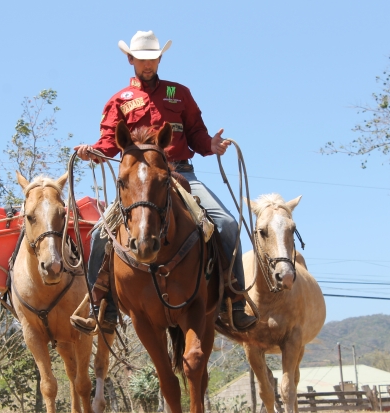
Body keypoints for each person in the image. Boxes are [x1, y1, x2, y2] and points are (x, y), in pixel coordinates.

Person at [72, 30, 257, 333]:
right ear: (130, 59)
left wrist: (210, 145)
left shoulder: (180, 93)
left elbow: (196, 132)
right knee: (98, 235)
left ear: (160, 58)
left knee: (226, 224)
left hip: (182, 173)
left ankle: (234, 300)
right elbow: (108, 140)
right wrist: (93, 151)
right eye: (142, 59)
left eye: (153, 58)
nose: (148, 64)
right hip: (137, 183)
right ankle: (99, 305)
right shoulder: (120, 100)